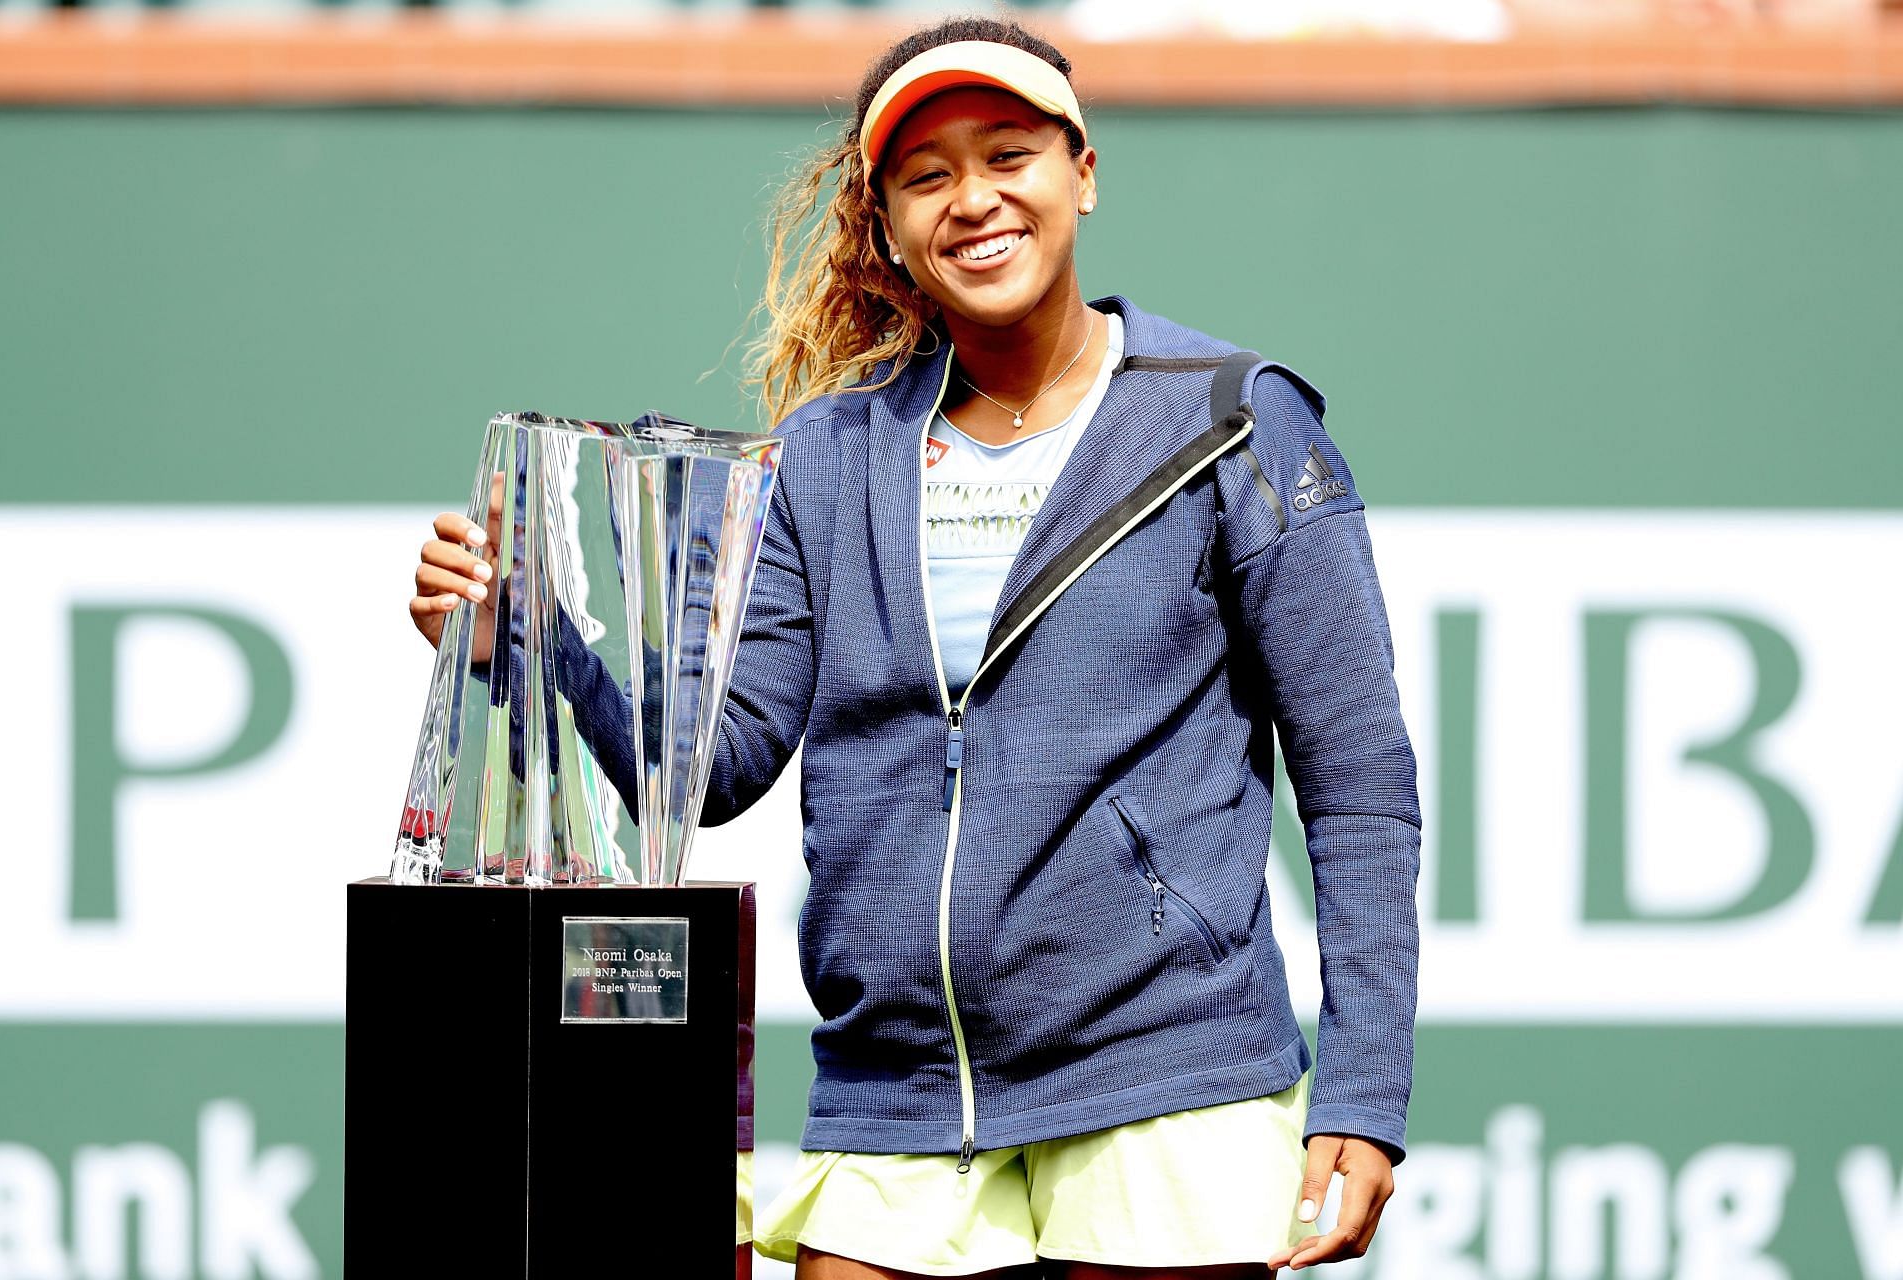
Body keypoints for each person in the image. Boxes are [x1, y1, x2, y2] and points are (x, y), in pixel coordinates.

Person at [410, 17, 1419, 1278]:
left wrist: (1365, 1090)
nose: (975, 199)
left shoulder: (1232, 421)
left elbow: (1363, 785)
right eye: (927, 175)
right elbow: (711, 770)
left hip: (1168, 1069)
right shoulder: (827, 458)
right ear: (885, 219)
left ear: (1083, 173)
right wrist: (536, 637)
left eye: (1008, 154)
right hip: (897, 1091)